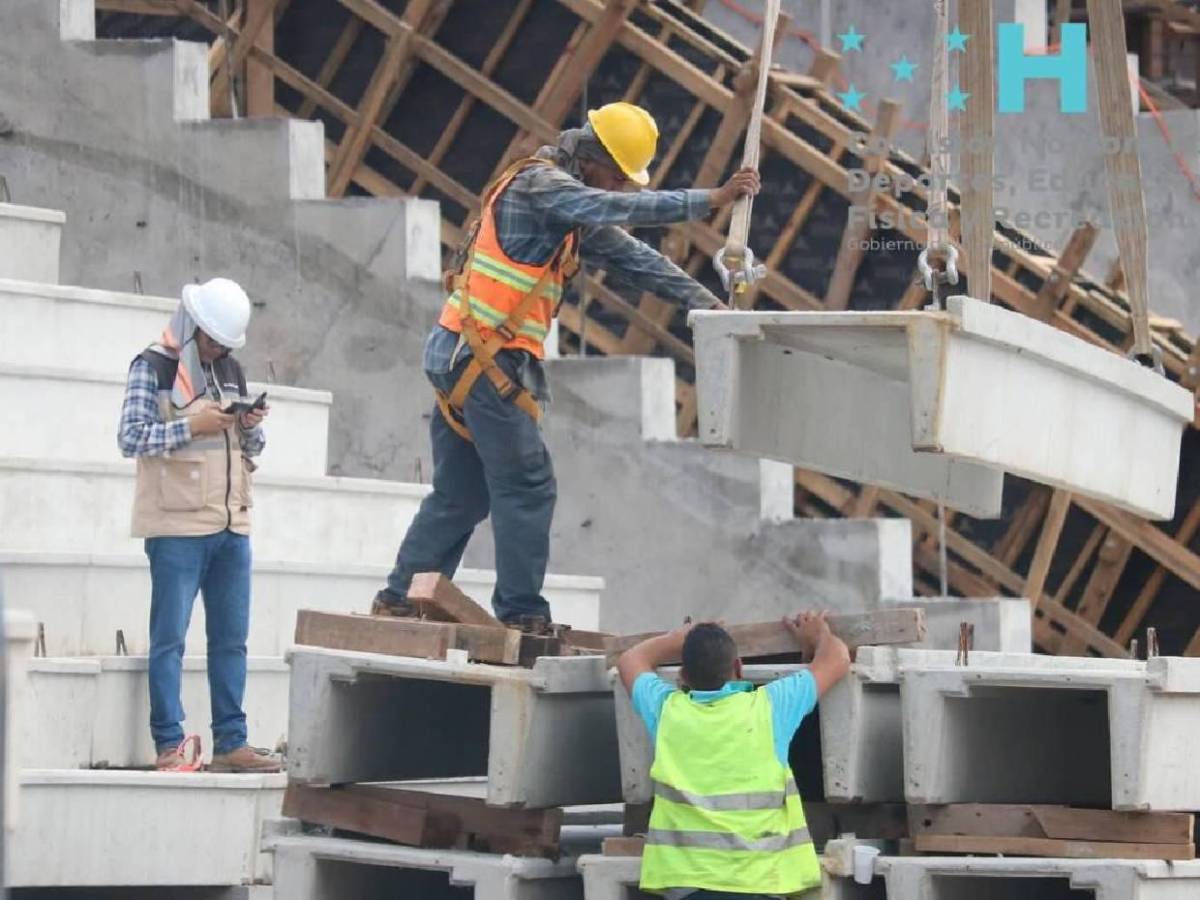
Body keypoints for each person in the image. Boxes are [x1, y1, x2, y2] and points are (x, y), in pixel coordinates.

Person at [373, 101, 761, 627]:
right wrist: (709, 200)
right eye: (621, 177)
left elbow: (636, 258)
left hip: (462, 356)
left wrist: (707, 305)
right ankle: (520, 614)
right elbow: (615, 209)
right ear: (594, 159)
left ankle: (399, 597)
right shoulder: (543, 188)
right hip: (486, 365)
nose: (624, 189)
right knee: (528, 484)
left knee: (460, 495)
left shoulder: (562, 208)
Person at [117, 277, 281, 773]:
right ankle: (169, 745)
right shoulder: (153, 367)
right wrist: (192, 425)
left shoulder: (230, 369)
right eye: (211, 340)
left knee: (232, 640)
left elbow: (246, 451)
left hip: (231, 525)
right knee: (170, 637)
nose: (217, 349)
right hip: (176, 528)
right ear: (191, 326)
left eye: (224, 343)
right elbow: (131, 437)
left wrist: (250, 428)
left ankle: (232, 742)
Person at [616, 612, 852, 899]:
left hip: (688, 887)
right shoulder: (770, 707)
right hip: (761, 883)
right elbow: (837, 659)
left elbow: (630, 660)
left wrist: (676, 639)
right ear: (738, 667)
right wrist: (818, 635)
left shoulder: (667, 711)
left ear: (682, 676)